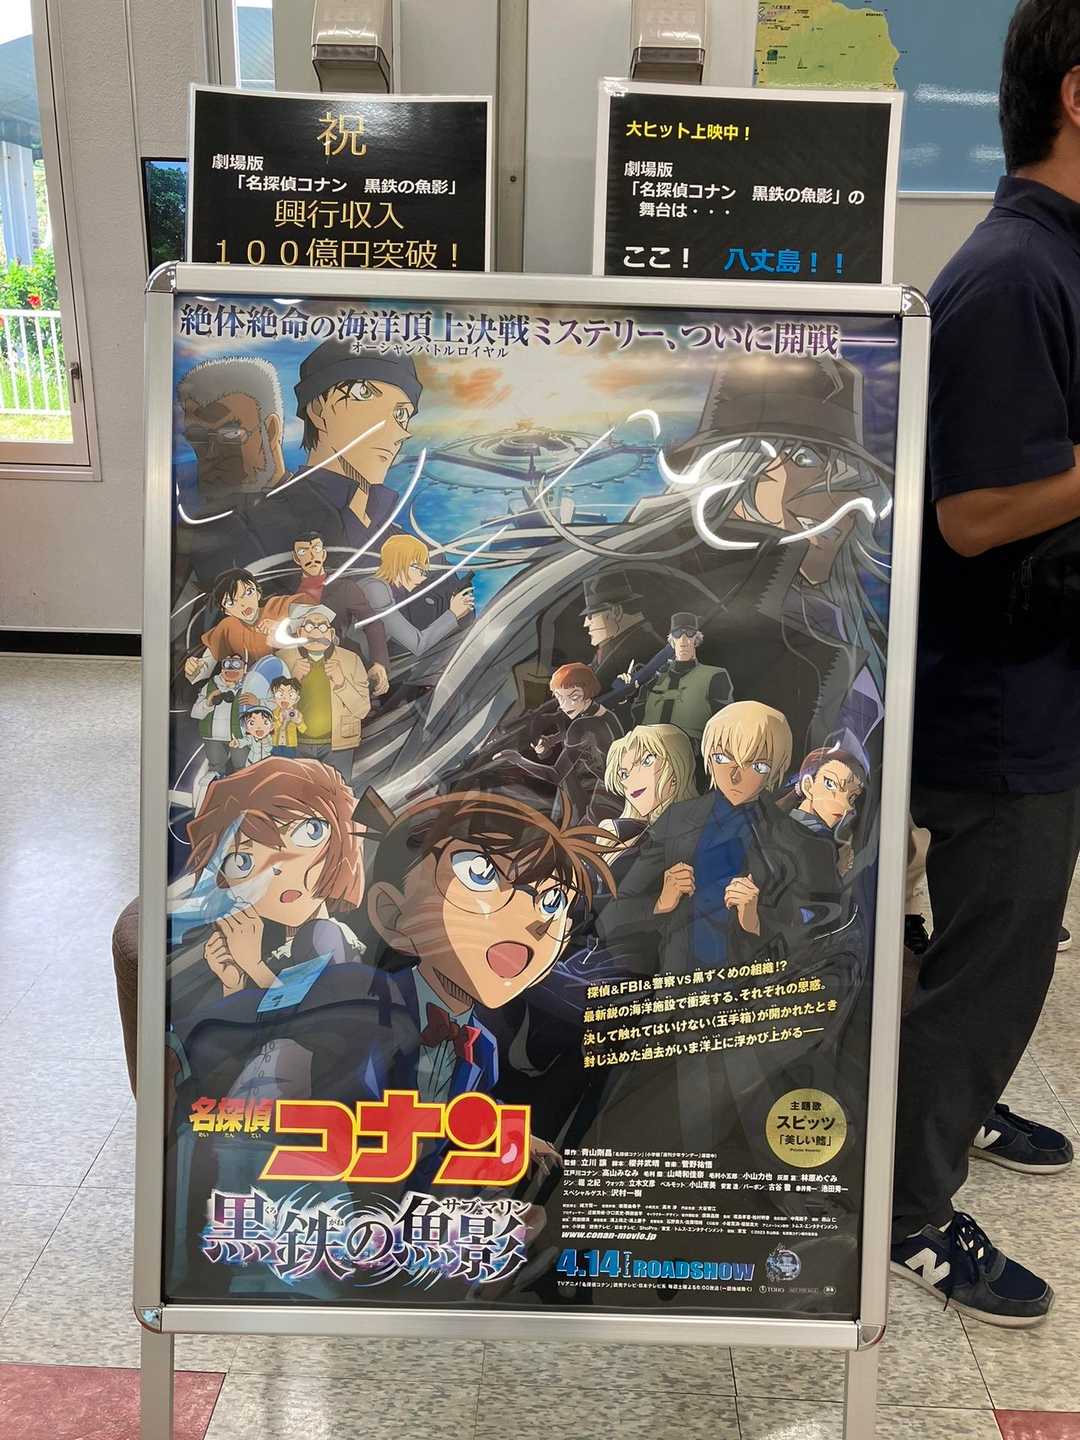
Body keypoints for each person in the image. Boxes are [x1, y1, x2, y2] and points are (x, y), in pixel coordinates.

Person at [891, 0, 1080, 1329]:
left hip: (1037, 678)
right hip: (995, 706)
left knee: (997, 953)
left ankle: (962, 1100)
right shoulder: (1015, 274)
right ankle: (909, 1211)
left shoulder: (1051, 258)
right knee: (995, 958)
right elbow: (977, 511)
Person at [599, 700, 793, 975]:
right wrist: (660, 902)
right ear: (708, 757)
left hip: (752, 990)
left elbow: (815, 934)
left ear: (775, 767)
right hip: (678, 987)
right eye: (722, 758)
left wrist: (755, 922)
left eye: (757, 765)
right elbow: (611, 918)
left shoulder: (794, 838)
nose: (735, 776)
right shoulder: (676, 820)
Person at [495, 662, 623, 825]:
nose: (562, 705)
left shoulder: (579, 727)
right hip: (622, 787)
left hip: (610, 800)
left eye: (569, 697)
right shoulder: (605, 714)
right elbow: (591, 736)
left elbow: (555, 775)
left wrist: (517, 759)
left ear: (581, 694)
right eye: (558, 698)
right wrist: (554, 739)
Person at [278, 602, 371, 781]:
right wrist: (292, 680)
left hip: (339, 746)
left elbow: (363, 710)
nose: (316, 633)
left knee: (337, 794)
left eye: (322, 627)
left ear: (331, 633)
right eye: (309, 627)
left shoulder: (351, 660)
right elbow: (268, 708)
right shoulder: (282, 659)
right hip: (294, 744)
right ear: (299, 632)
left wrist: (342, 683)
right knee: (296, 793)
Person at [355, 534, 474, 674]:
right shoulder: (376, 589)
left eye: (424, 571)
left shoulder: (392, 591)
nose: (422, 577)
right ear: (399, 562)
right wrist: (453, 614)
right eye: (419, 568)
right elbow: (418, 644)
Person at [626, 612, 734, 748]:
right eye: (677, 634)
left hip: (690, 751)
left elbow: (724, 725)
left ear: (696, 639)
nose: (683, 641)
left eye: (689, 634)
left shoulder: (714, 676)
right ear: (672, 640)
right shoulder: (652, 679)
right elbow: (636, 720)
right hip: (648, 750)